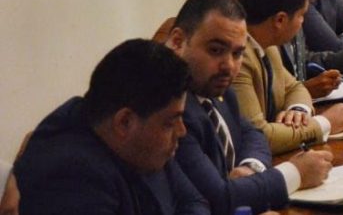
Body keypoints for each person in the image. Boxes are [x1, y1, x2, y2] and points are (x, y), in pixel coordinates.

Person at [166, 0, 333, 215]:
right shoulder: (168, 111)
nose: (229, 66)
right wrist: (295, 173)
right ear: (178, 42)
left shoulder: (215, 85)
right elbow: (219, 199)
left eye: (237, 54)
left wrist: (250, 168)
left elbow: (253, 134)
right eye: (215, 50)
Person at [14, 39, 209, 214]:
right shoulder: (72, 178)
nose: (182, 131)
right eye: (170, 122)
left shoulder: (144, 145)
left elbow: (194, 202)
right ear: (124, 122)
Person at [232, 0, 343, 154]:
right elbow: (259, 136)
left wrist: (298, 111)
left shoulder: (266, 44)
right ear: (280, 20)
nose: (302, 22)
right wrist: (325, 123)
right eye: (301, 15)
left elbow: (294, 87)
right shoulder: (237, 60)